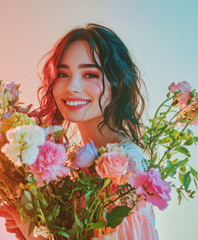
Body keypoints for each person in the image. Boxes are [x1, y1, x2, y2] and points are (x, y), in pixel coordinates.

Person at [36, 23, 159, 240]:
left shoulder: (126, 167)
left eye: (90, 74)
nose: (71, 86)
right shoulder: (74, 163)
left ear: (118, 82)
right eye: (63, 73)